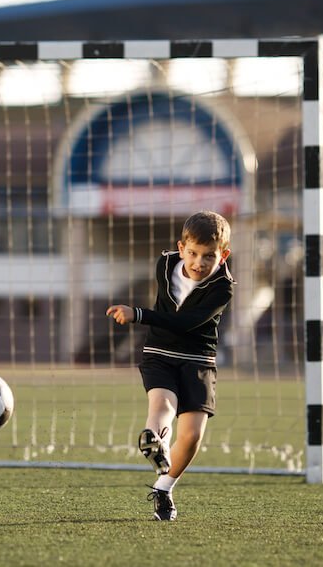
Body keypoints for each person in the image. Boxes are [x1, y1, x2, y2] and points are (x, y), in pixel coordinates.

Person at [106, 210, 234, 521]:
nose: (198, 263)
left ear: (223, 255)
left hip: (198, 361)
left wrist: (139, 314)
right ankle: (155, 441)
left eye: (209, 256)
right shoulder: (164, 264)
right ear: (180, 248)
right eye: (192, 253)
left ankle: (164, 488)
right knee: (162, 403)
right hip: (159, 352)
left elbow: (187, 322)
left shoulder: (223, 287)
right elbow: (169, 316)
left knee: (191, 435)